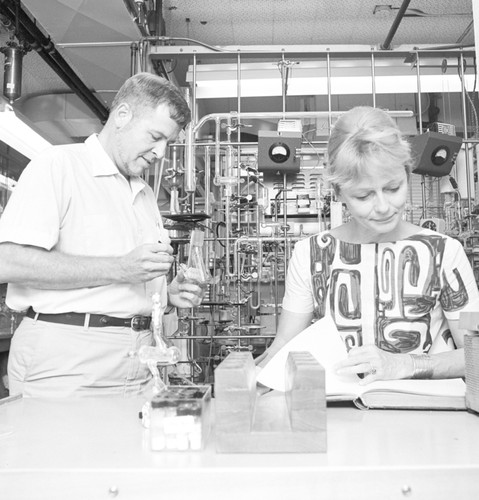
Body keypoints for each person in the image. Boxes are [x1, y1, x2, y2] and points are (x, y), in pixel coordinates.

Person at [0, 72, 205, 397]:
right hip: (68, 357)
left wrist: (167, 295)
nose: (161, 152)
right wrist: (118, 268)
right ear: (122, 115)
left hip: (141, 357)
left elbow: (129, 283)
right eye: (155, 136)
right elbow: (7, 262)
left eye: (169, 142)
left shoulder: (144, 194)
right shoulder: (59, 166)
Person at [257, 106, 479, 384]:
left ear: (408, 172)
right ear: (338, 192)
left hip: (429, 421)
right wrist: (253, 377)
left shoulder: (446, 253)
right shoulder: (310, 254)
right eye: (364, 195)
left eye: (392, 188)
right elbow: (282, 348)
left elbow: (476, 354)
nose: (384, 207)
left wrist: (406, 364)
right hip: (343, 417)